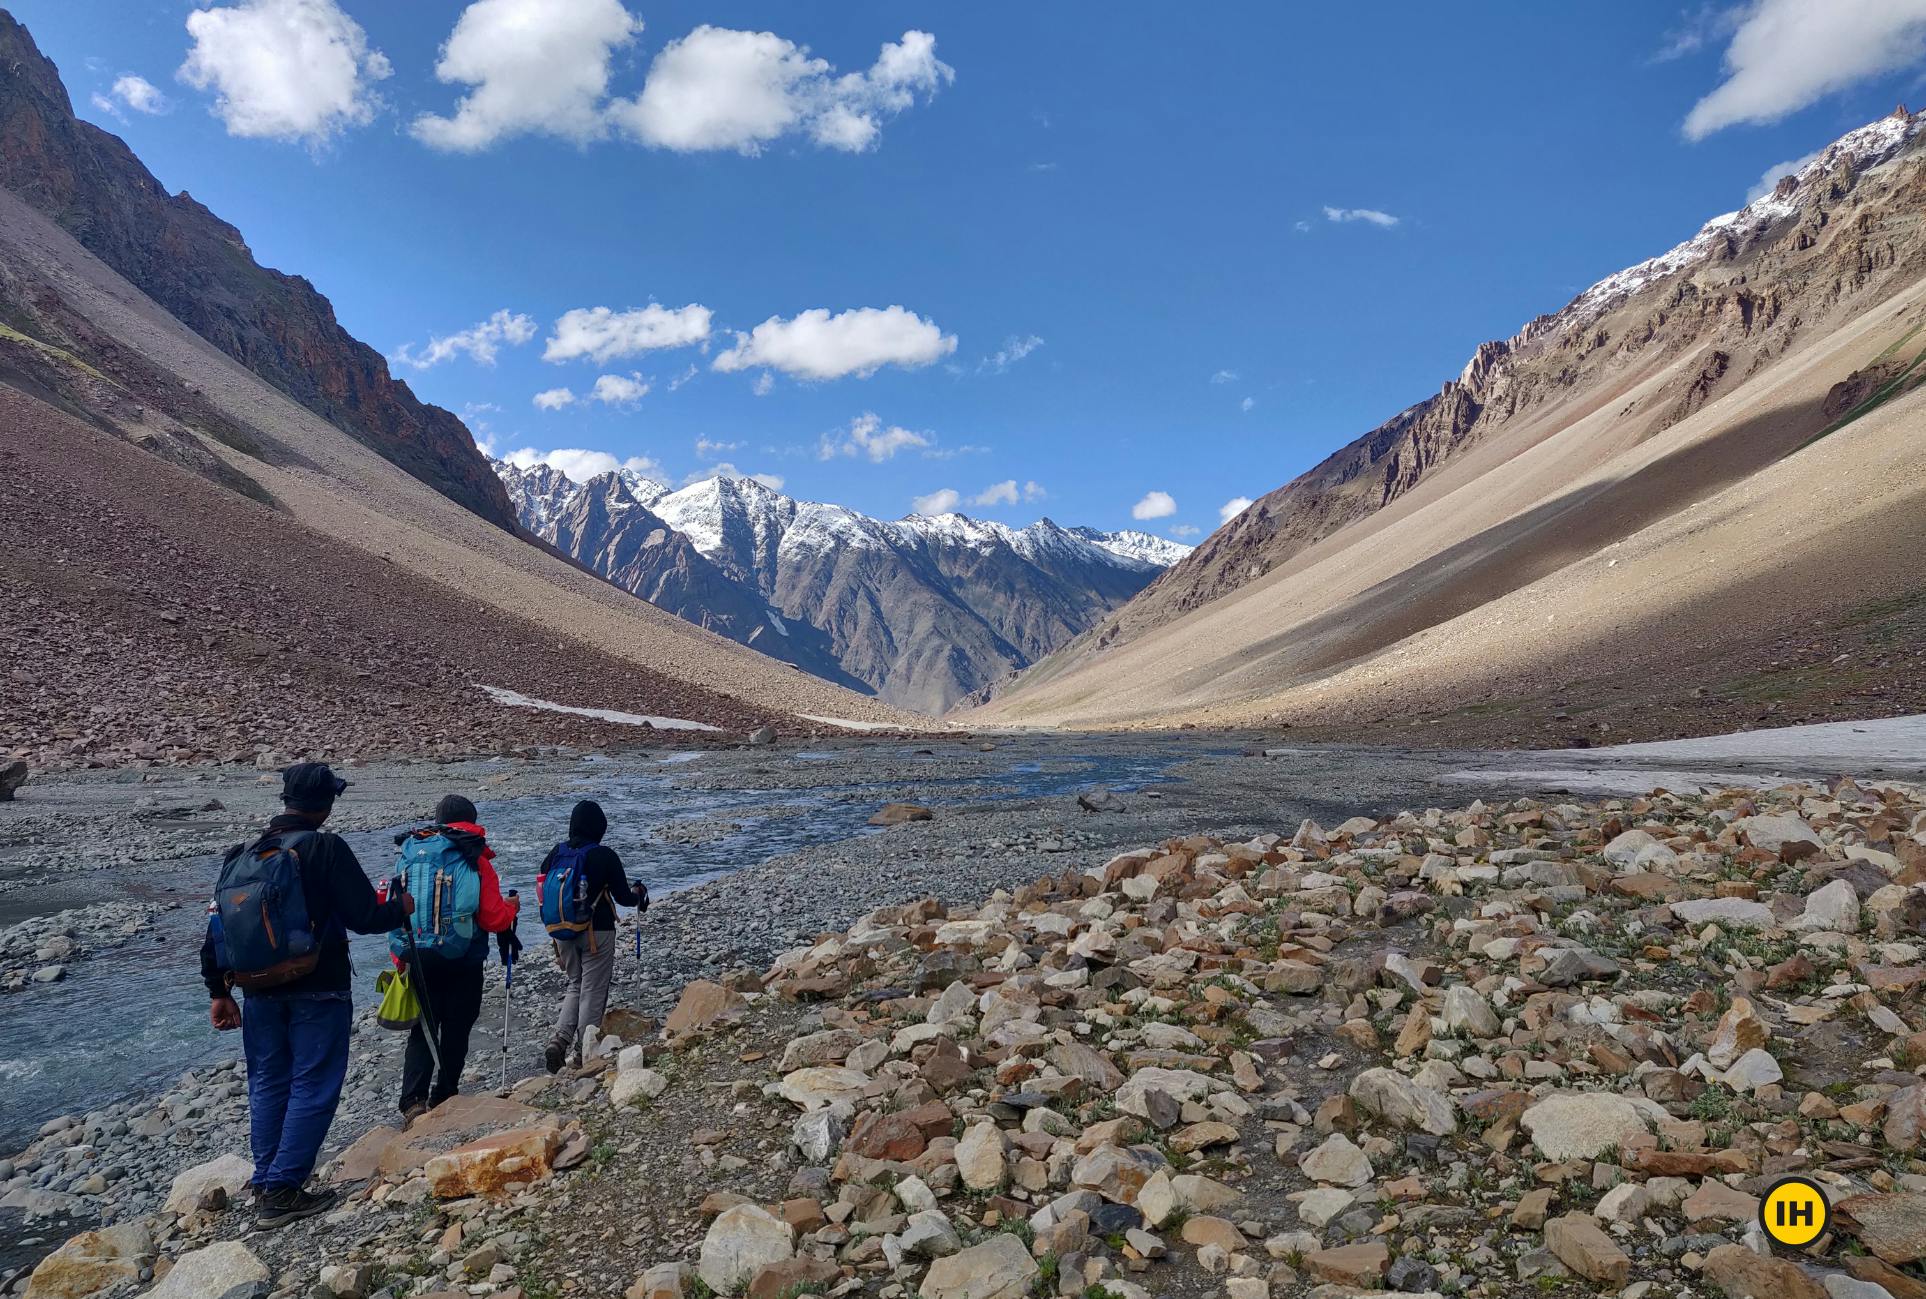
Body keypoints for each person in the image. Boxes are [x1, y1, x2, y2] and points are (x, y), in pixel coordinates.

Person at [201, 762, 412, 1229]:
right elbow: (364, 917)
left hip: (257, 989)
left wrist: (219, 991)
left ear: (286, 798)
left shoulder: (242, 853)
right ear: (327, 803)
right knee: (313, 1083)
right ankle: (283, 1189)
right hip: (319, 987)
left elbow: (217, 930)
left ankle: (266, 1179)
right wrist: (401, 907)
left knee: (267, 1082)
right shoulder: (325, 847)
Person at [391, 795, 521, 1126]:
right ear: (472, 821)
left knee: (423, 1027)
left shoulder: (412, 852)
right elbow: (493, 918)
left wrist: (399, 958)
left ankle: (413, 1102)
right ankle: (445, 1095)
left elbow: (396, 908)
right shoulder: (473, 855)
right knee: (456, 1027)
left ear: (438, 819)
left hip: (415, 953)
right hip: (463, 958)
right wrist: (512, 910)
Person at [537, 799, 647, 1072]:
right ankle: (583, 1053)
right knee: (593, 989)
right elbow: (624, 897)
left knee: (575, 984)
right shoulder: (604, 855)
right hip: (597, 932)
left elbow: (543, 889)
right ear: (600, 827)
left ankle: (559, 1040)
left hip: (561, 931)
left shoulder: (556, 854)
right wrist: (638, 894)